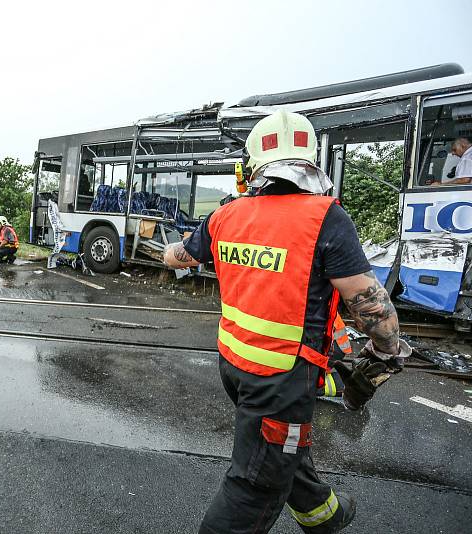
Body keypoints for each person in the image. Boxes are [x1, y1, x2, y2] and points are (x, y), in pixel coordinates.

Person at [163, 110, 411, 534]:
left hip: (234, 365)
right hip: (282, 376)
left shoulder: (227, 216)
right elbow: (369, 303)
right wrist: (388, 349)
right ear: (311, 161)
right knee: (255, 484)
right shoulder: (324, 217)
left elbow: (177, 255)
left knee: (276, 448)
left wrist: (170, 249)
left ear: (254, 166)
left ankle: (324, 515)